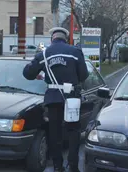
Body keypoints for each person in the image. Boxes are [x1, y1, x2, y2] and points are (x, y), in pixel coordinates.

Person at [23, 27, 89, 172]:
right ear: (66, 38)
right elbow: (84, 75)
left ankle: (58, 166)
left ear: (52, 38)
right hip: (71, 97)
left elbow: (27, 74)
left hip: (53, 98)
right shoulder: (75, 52)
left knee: (55, 133)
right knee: (73, 132)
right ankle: (73, 166)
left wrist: (39, 69)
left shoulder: (44, 54)